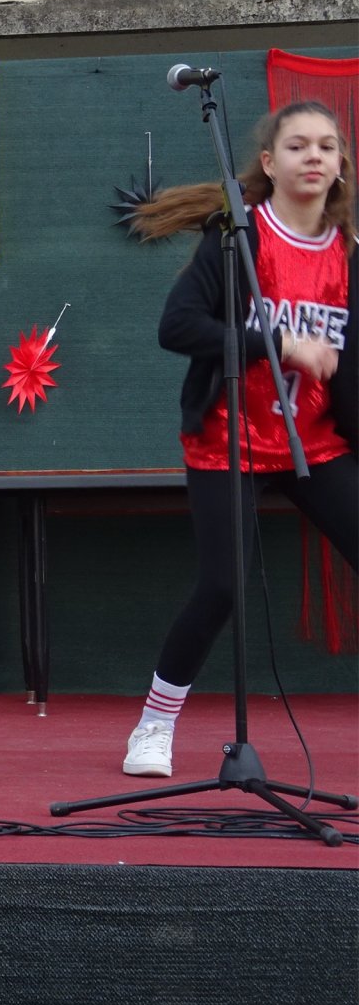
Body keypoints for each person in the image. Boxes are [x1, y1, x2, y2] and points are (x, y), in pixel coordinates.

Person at [122, 100, 357, 778]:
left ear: (340, 166)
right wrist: (275, 341)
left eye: (327, 146)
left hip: (312, 438)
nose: (314, 156)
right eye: (298, 146)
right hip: (230, 437)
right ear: (268, 163)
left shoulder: (347, 254)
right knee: (222, 586)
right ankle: (154, 724)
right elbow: (178, 328)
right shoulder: (239, 237)